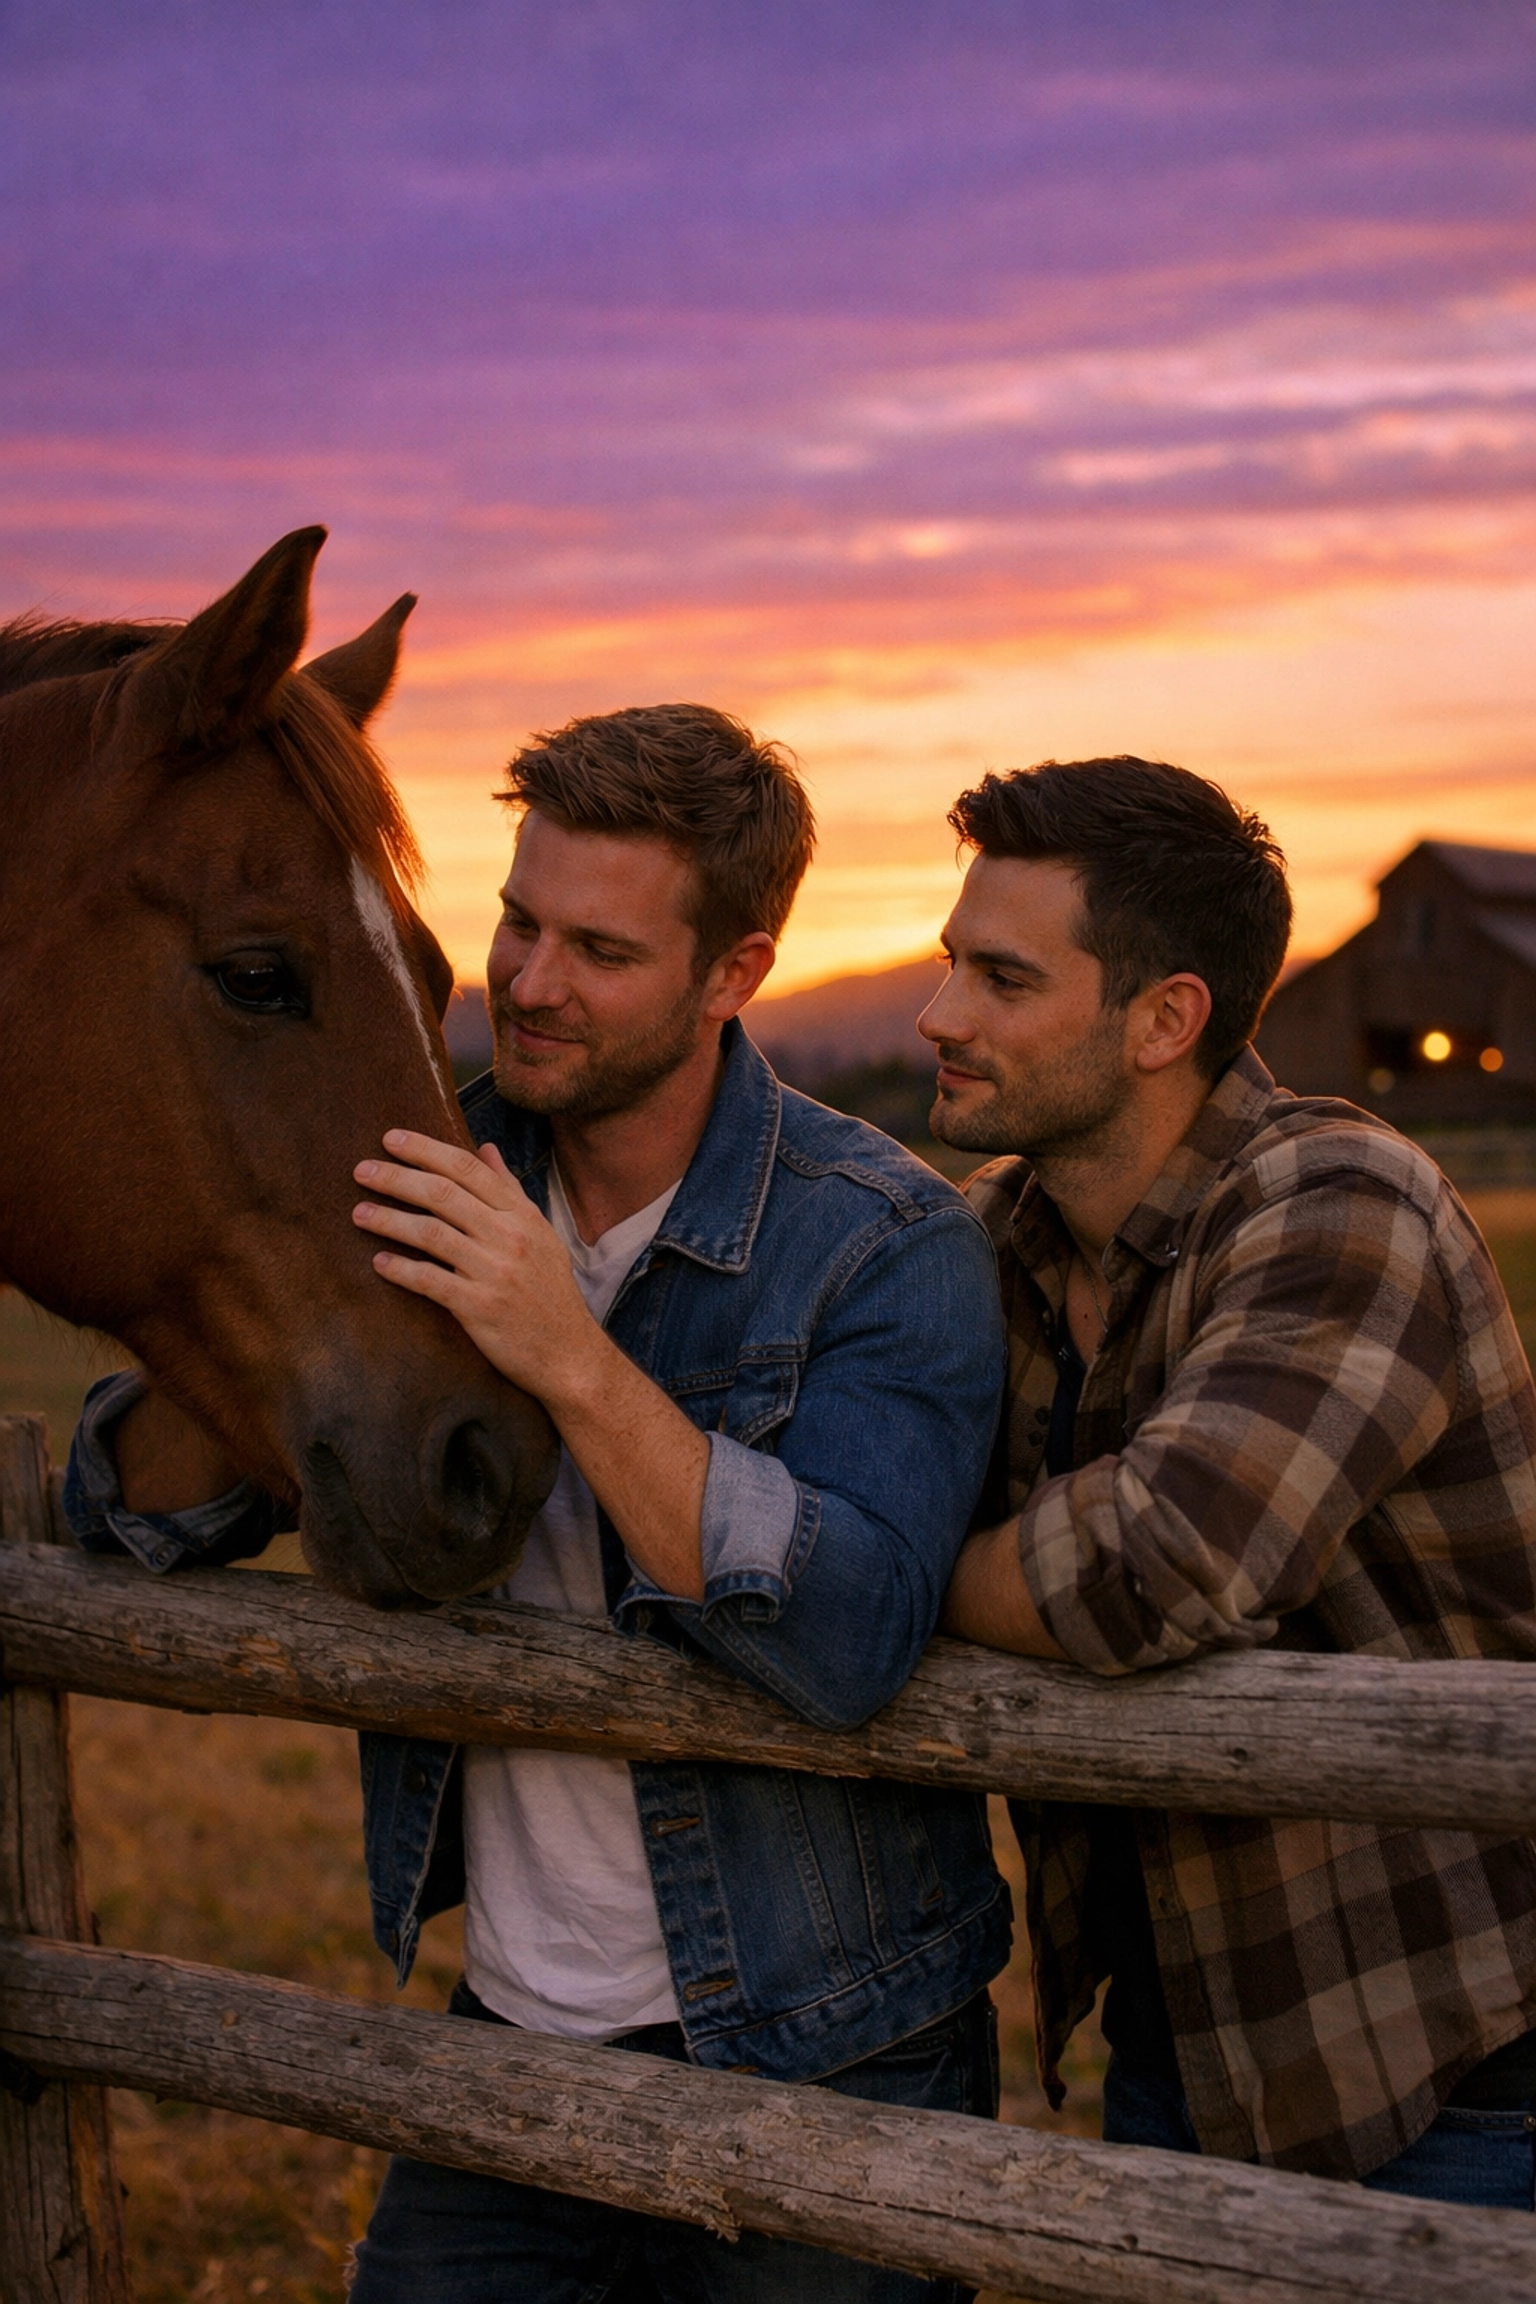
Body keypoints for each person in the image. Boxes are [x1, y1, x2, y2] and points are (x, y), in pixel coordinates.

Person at [66, 703, 1011, 2303]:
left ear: (732, 975)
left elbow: (849, 1638)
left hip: (829, 2053)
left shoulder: (883, 1241)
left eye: (599, 948)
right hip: (511, 2032)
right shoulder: (417, 1171)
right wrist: (298, 1329)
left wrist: (567, 1356)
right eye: (515, 920)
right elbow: (138, 1513)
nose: (529, 982)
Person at [923, 755, 1536, 2209]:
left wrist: (900, 1581)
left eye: (1003, 979)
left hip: (1453, 2061)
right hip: (1188, 2033)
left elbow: (1166, 1559)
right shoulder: (992, 1241)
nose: (941, 1015)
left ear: (1165, 1020)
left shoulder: (1341, 1201)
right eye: (951, 964)